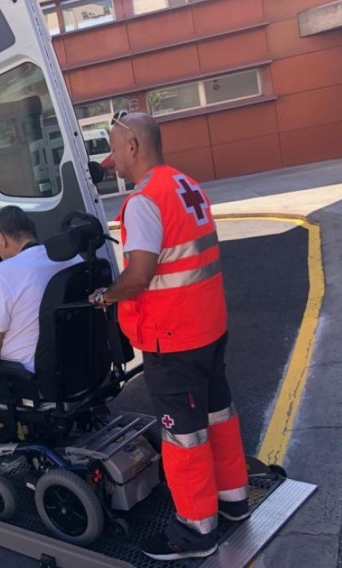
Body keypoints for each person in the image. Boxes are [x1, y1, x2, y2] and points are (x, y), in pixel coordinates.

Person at [90, 112, 249, 561]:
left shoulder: (144, 201)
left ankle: (196, 530)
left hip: (173, 338)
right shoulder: (186, 185)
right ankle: (233, 501)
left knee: (184, 437)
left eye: (115, 148)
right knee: (219, 416)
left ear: (134, 146)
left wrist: (106, 295)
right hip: (209, 327)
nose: (112, 159)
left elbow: (138, 277)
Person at [0, 206, 80, 393]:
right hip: (79, 366)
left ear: (1, 238)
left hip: (29, 378)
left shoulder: (5, 274)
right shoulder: (71, 259)